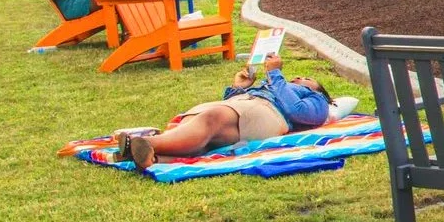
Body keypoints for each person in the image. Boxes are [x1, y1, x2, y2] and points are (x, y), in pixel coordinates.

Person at [115, 64, 333, 170]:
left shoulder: (317, 101)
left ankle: (147, 143)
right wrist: (239, 88)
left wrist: (276, 75)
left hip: (269, 113)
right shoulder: (274, 85)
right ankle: (152, 158)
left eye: (306, 78)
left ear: (319, 91)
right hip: (242, 105)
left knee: (213, 119)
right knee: (197, 120)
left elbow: (297, 111)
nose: (298, 77)